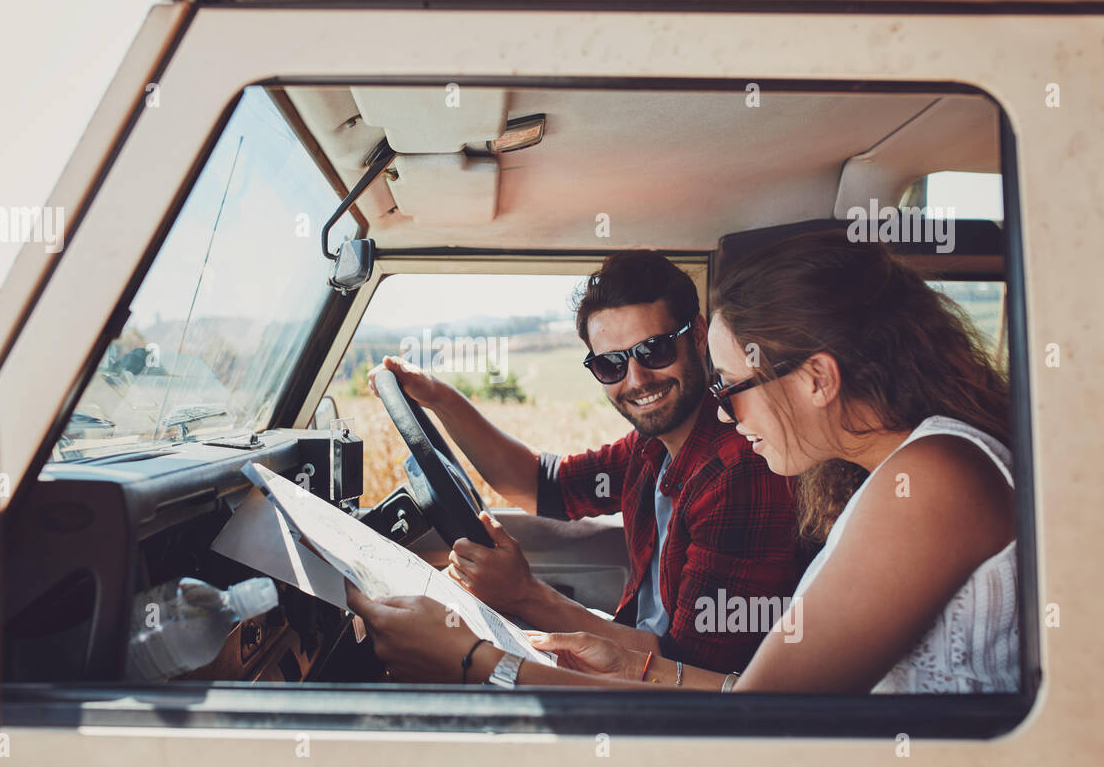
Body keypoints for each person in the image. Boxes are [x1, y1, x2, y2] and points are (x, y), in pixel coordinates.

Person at [350, 231, 1018, 694]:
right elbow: (759, 698)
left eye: (733, 387)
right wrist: (630, 666)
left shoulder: (929, 482)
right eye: (611, 364)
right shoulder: (903, 472)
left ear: (816, 379)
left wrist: (476, 664)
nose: (726, 414)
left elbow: (755, 721)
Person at [366, 249, 804, 675]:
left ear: (698, 335)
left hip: (669, 699)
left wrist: (526, 596)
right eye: (611, 364)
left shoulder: (738, 470)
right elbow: (545, 485)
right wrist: (440, 397)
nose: (636, 380)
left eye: (654, 351)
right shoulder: (650, 448)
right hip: (637, 658)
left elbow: (688, 671)